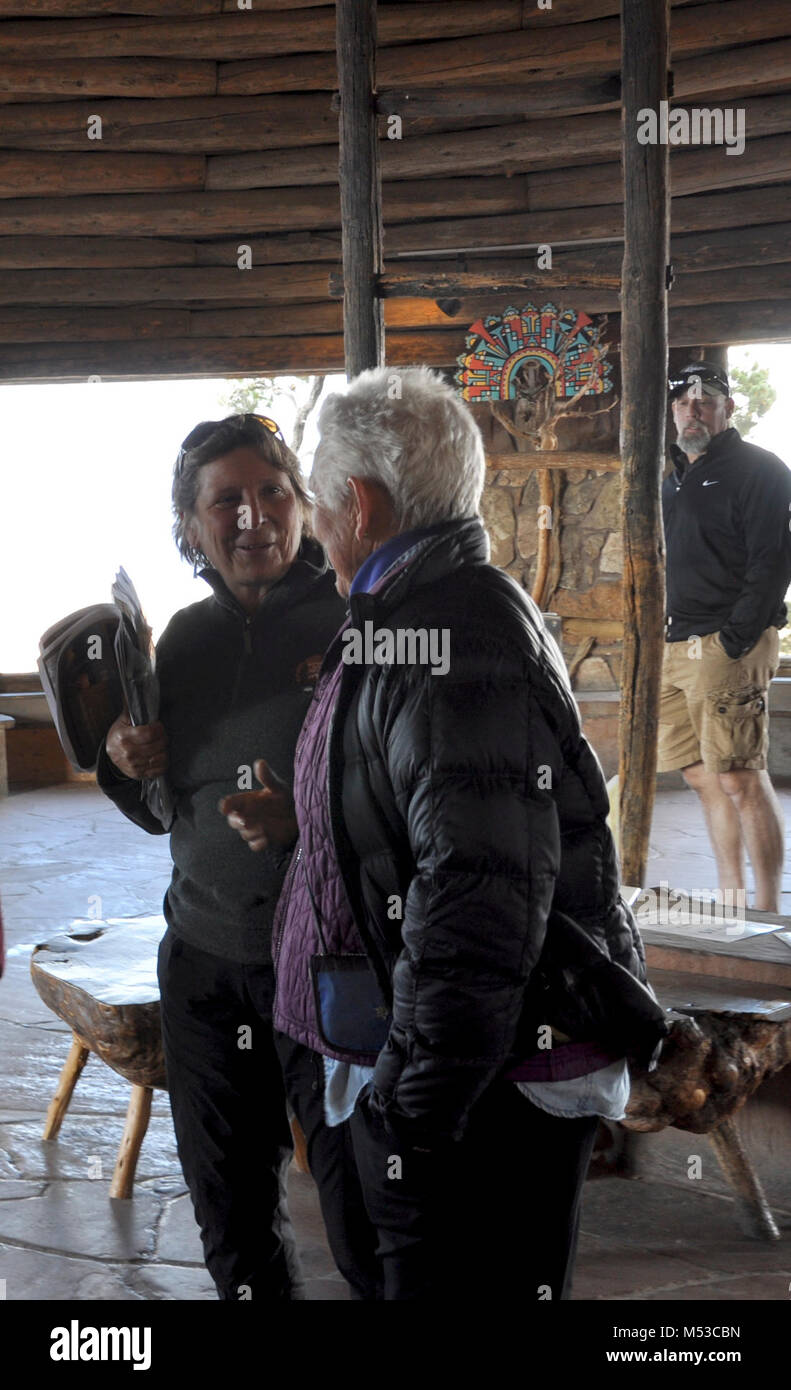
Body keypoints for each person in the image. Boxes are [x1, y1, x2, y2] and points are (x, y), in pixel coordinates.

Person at [237, 367, 666, 1302]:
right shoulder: (413, 616)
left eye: (310, 498)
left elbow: (479, 900)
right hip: (434, 1068)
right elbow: (431, 825)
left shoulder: (451, 638)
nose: (305, 521)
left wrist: (408, 1118)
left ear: (357, 503)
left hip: (472, 1100)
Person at [97, 412, 346, 1299]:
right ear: (192, 527)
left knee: (363, 1205)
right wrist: (125, 761)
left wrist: (306, 819)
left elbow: (413, 794)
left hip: (329, 963)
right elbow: (163, 809)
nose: (253, 518)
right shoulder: (184, 641)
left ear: (303, 504)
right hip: (205, 964)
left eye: (271, 492)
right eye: (226, 501)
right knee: (232, 1215)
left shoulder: (356, 623)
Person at [658, 361, 791, 911]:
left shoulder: (761, 469)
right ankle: (731, 901)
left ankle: (766, 913)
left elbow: (772, 561)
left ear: (728, 409)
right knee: (702, 778)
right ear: (672, 412)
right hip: (675, 644)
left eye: (706, 400)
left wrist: (733, 639)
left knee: (739, 778)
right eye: (685, 402)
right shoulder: (671, 474)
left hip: (725, 645)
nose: (694, 410)